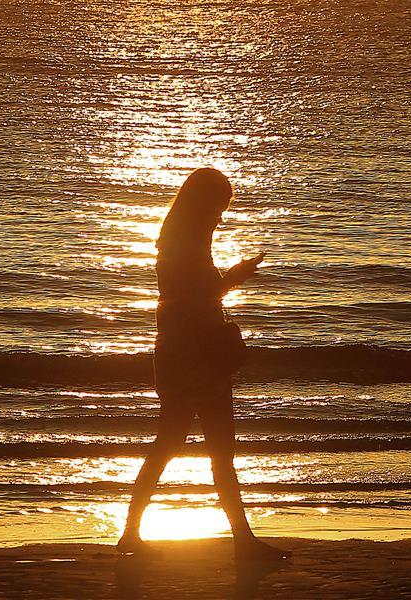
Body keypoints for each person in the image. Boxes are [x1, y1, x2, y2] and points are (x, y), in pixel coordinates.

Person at [117, 167, 289, 561]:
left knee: (171, 443)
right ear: (204, 204)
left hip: (179, 352)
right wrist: (237, 276)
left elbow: (185, 295)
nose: (221, 216)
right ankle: (241, 541)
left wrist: (225, 281)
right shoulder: (186, 242)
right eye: (219, 207)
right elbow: (199, 295)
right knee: (214, 449)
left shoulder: (174, 239)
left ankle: (132, 532)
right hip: (196, 354)